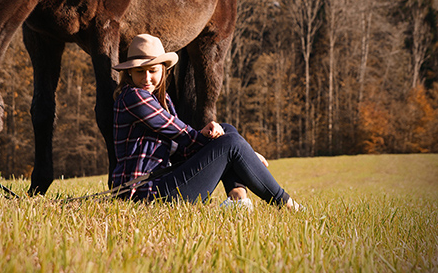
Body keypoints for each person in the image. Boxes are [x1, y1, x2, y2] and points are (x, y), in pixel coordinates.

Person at [111, 33, 303, 211]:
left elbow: (181, 150)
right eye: (139, 71)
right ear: (129, 73)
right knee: (230, 142)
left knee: (226, 131)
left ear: (163, 70)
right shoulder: (134, 97)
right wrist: (246, 152)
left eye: (152, 70)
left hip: (161, 183)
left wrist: (238, 149)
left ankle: (238, 202)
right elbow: (182, 134)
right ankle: (287, 204)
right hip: (144, 194)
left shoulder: (163, 101)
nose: (146, 78)